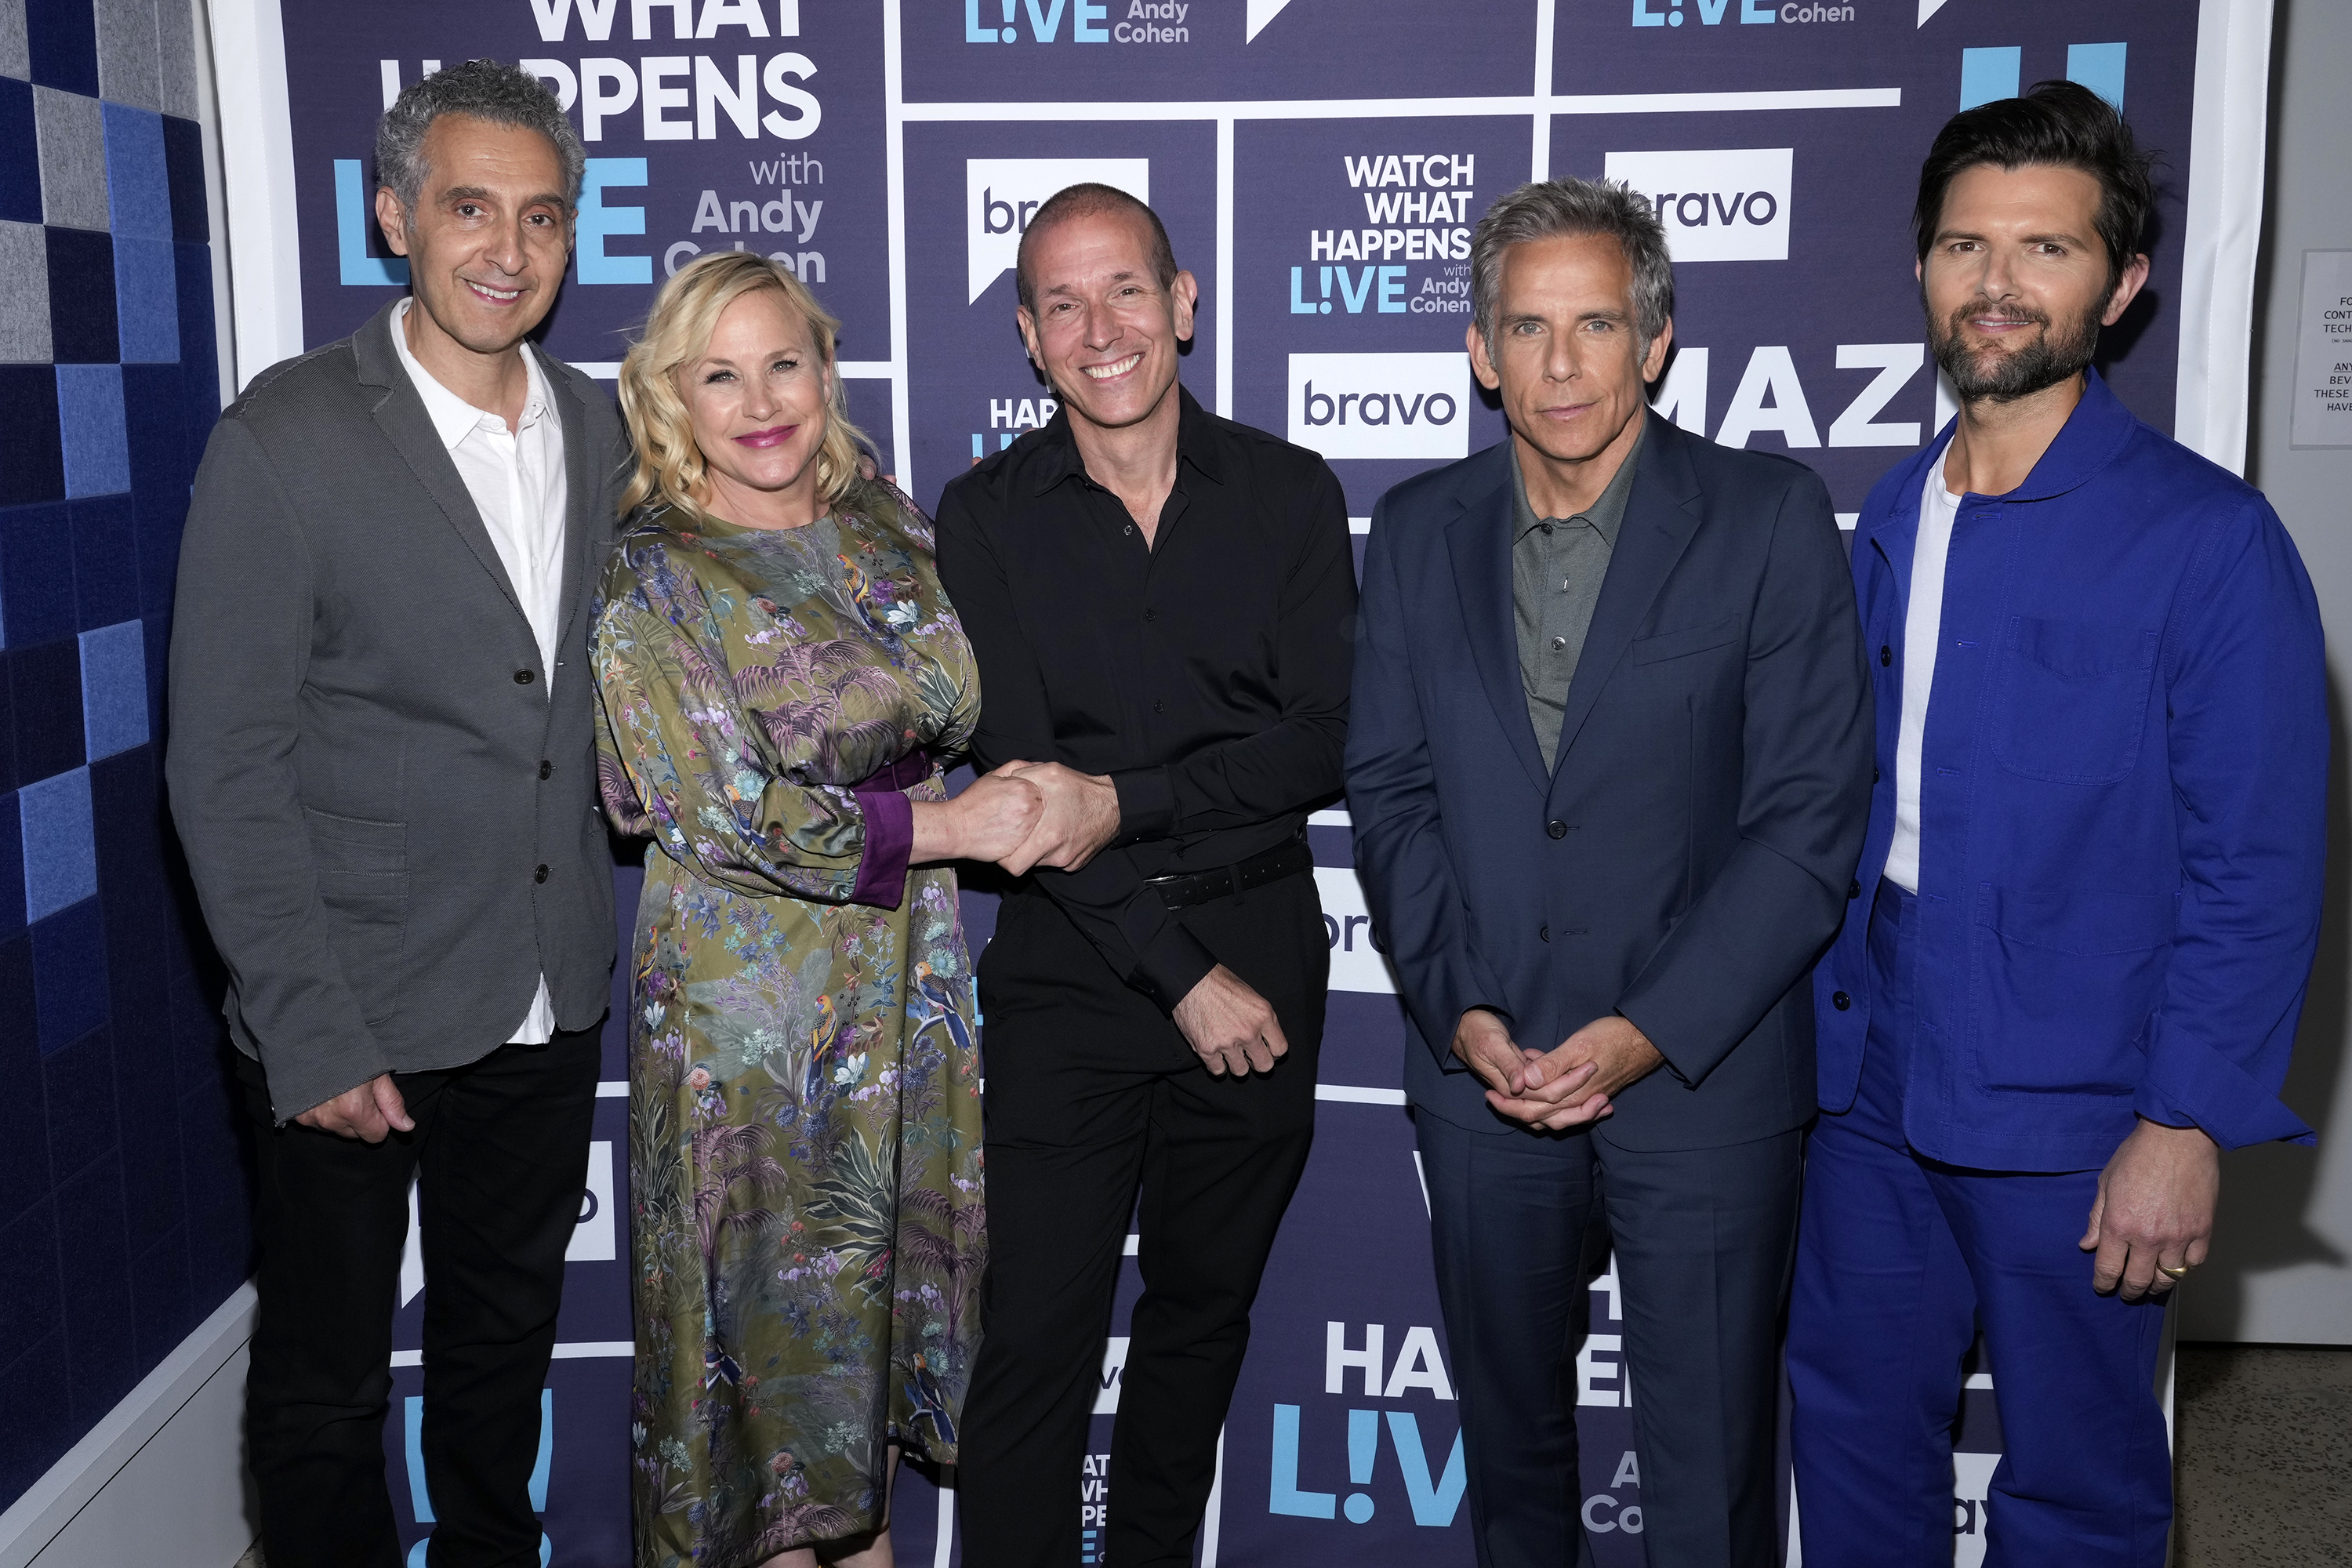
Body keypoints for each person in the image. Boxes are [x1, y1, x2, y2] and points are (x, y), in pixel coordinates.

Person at [1788, 82, 2326, 1566]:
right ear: (1921, 268)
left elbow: (2258, 865)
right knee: (1845, 1426)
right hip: (1869, 1062)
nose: (1999, 284)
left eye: (2046, 249)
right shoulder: (1892, 514)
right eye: (1966, 247)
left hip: (2090, 1090)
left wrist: (2184, 1120)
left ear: (2125, 283)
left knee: (2080, 1475)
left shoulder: (2211, 541)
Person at [1346, 176, 1873, 1566]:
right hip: (1485, 1079)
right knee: (1514, 1473)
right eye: (1528, 328)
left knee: (1707, 1487)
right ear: (1479, 350)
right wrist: (1458, 1011)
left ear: (1657, 339)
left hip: (1703, 1081)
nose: (1562, 364)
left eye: (1595, 325)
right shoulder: (1411, 534)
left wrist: (1644, 1035)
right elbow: (1391, 794)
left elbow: (1809, 822)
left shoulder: (1767, 517)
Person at [165, 61, 626, 1568]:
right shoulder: (284, 439)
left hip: (545, 995)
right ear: (395, 218)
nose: (509, 247)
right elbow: (221, 766)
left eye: (541, 215)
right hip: (348, 1006)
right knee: (323, 1391)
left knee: (501, 1368)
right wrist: (309, 1026)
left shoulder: (606, 432)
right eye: (471, 207)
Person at [593, 250, 1039, 1568]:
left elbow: (943, 704)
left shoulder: (881, 516)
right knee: (775, 1352)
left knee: (860, 1348)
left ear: (825, 369)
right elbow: (723, 809)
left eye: (783, 361)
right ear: (672, 398)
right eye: (719, 375)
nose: (761, 399)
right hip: (755, 1014)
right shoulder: (655, 572)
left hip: (903, 988)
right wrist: (956, 827)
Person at [935, 183, 1356, 1566]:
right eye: (1063, 302)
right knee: (1037, 1339)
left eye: (1126, 290)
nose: (1099, 326)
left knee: (1199, 1325)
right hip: (1072, 969)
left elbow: (1321, 744)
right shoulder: (985, 517)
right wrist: (1180, 978)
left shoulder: (1290, 492)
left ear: (1182, 305)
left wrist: (1126, 800)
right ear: (1028, 337)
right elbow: (1022, 789)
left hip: (1266, 957)